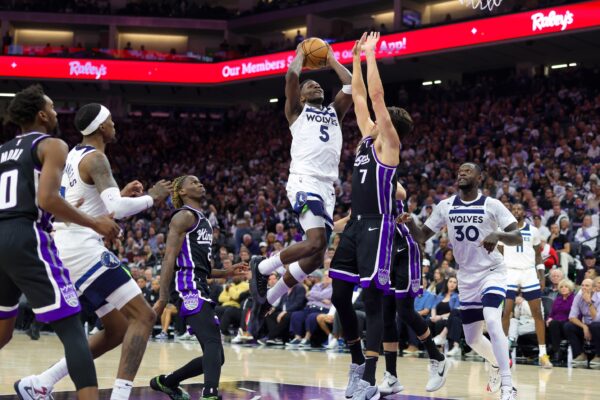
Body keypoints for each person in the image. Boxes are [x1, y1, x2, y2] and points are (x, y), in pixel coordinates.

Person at [18, 103, 172, 400]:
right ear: (102, 127)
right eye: (111, 121)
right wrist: (153, 198)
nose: (115, 125)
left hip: (66, 247)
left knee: (116, 329)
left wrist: (118, 196)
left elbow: (88, 206)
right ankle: (120, 396)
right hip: (83, 250)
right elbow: (117, 209)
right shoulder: (97, 159)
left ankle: (40, 382)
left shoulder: (73, 155)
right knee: (143, 316)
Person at [1, 85, 119, 400]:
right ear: (41, 114)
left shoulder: (3, 150)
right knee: (72, 329)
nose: (56, 113)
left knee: (2, 331)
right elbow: (47, 198)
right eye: (52, 108)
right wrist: (95, 222)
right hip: (27, 235)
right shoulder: (52, 145)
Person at [328, 32, 413, 400]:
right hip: (356, 225)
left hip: (378, 227)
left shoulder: (389, 144)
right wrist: (357, 60)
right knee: (338, 295)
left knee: (374, 302)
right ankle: (356, 362)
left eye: (382, 117)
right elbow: (359, 95)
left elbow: (376, 97)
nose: (375, 116)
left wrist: (373, 54)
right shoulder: (366, 137)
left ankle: (369, 379)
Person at [249, 31, 353, 331]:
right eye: (310, 84)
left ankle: (268, 297)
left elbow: (350, 84)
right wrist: (300, 55)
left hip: (326, 187)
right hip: (304, 180)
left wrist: (331, 58)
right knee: (317, 241)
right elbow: (292, 79)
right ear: (303, 95)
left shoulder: (335, 112)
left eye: (317, 82)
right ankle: (264, 265)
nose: (315, 84)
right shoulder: (296, 111)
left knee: (317, 256)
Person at [400, 162, 523, 400]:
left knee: (492, 318)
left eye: (468, 170)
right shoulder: (446, 206)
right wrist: (410, 223)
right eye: (460, 171)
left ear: (480, 177)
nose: (462, 173)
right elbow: (422, 236)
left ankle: (508, 386)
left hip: (492, 271)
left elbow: (517, 237)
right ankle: (496, 363)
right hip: (466, 276)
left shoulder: (492, 204)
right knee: (472, 338)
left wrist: (497, 234)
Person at [150, 175, 247, 400]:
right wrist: (163, 298)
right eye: (193, 182)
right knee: (213, 342)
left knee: (216, 356)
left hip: (198, 282)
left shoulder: (203, 220)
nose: (200, 183)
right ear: (182, 192)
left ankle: (167, 382)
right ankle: (209, 394)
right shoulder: (183, 216)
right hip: (187, 286)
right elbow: (169, 259)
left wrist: (227, 272)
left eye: (199, 181)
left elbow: (202, 267)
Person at [379, 183, 448, 395]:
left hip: (405, 252)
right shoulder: (362, 181)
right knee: (387, 315)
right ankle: (391, 377)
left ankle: (437, 357)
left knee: (405, 310)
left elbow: (401, 192)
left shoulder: (385, 170)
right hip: (386, 251)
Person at [499, 203, 552, 368]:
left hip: (529, 273)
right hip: (510, 272)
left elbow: (538, 255)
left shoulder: (534, 231)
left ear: (524, 212)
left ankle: (543, 355)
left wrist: (541, 275)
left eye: (519, 209)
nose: (516, 210)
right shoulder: (504, 230)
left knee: (537, 313)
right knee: (506, 311)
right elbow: (499, 253)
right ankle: (503, 354)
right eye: (514, 209)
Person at [565, 278, 600, 367]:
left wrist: (589, 302)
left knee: (595, 325)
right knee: (569, 326)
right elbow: (572, 317)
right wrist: (584, 327)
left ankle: (599, 356)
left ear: (593, 288)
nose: (583, 288)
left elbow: (596, 319)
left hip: (597, 325)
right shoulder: (578, 297)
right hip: (588, 326)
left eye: (587, 286)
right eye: (582, 285)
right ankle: (580, 354)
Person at [546, 279, 575, 362]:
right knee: (549, 323)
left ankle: (555, 351)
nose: (563, 288)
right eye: (561, 287)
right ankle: (553, 350)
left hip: (568, 322)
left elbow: (574, 314)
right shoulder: (558, 299)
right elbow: (552, 314)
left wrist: (555, 320)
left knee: (554, 324)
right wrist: (549, 319)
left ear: (570, 288)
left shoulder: (574, 299)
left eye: (566, 287)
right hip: (556, 323)